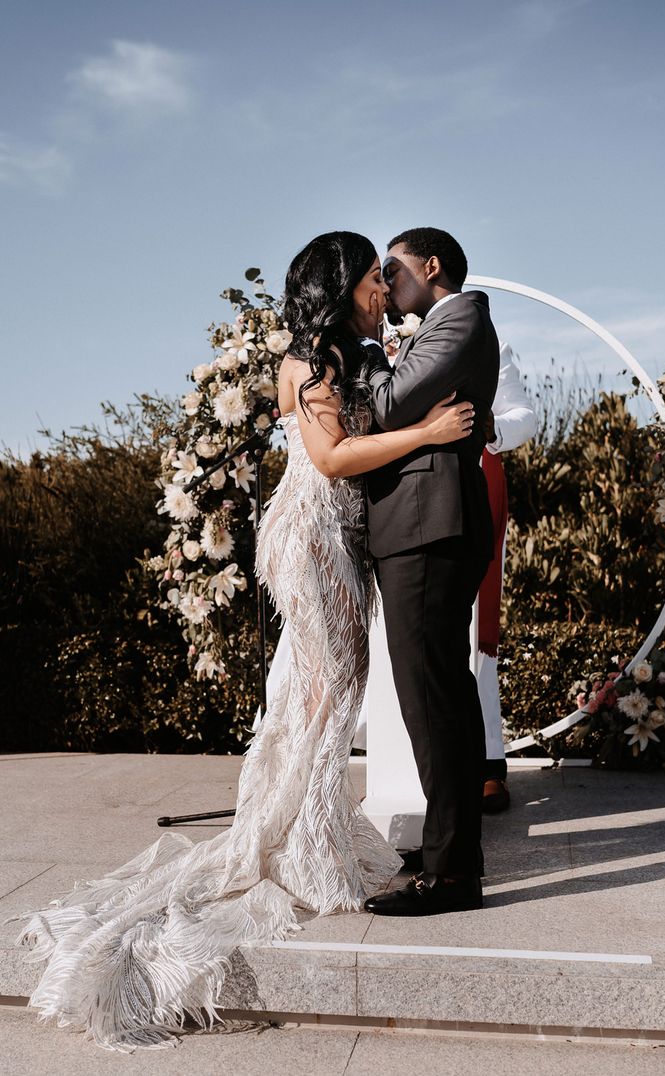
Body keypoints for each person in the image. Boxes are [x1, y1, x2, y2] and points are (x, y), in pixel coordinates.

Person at [13, 232, 476, 1051]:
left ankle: (305, 831)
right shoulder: (317, 361)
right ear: (343, 287)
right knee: (332, 693)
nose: (381, 292)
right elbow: (330, 457)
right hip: (313, 536)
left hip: (332, 536)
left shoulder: (335, 353)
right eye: (374, 279)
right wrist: (428, 435)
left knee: (323, 694)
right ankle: (298, 845)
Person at [362, 227, 500, 917]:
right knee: (434, 693)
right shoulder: (433, 330)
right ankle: (449, 845)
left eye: (394, 268)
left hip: (430, 522)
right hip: (423, 522)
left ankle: (451, 876)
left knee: (434, 695)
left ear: (433, 266)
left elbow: (384, 407)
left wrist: (367, 358)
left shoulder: (463, 316)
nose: (385, 283)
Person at [476, 342, 537, 812]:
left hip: (473, 480)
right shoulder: (369, 339)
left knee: (476, 626)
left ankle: (487, 761)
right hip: (391, 486)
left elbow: (523, 415)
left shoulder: (486, 342)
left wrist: (490, 426)